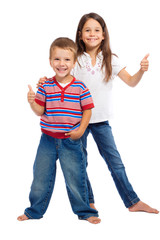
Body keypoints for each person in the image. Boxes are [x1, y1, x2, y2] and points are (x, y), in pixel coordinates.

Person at [38, 13, 159, 214]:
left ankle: (133, 201)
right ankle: (89, 201)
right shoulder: (75, 59)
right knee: (79, 163)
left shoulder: (110, 59)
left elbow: (131, 82)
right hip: (77, 122)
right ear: (80, 34)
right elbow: (61, 75)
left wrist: (142, 71)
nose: (92, 34)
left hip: (101, 121)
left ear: (103, 35)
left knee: (115, 163)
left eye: (96, 30)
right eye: (87, 30)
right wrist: (44, 80)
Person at [17, 37, 101, 224]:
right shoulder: (46, 86)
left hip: (71, 139)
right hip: (47, 139)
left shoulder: (80, 87)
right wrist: (32, 101)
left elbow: (88, 110)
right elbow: (40, 111)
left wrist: (80, 130)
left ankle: (86, 212)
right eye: (57, 59)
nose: (61, 64)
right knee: (40, 177)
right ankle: (34, 211)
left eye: (66, 60)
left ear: (73, 62)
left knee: (75, 177)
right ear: (50, 61)